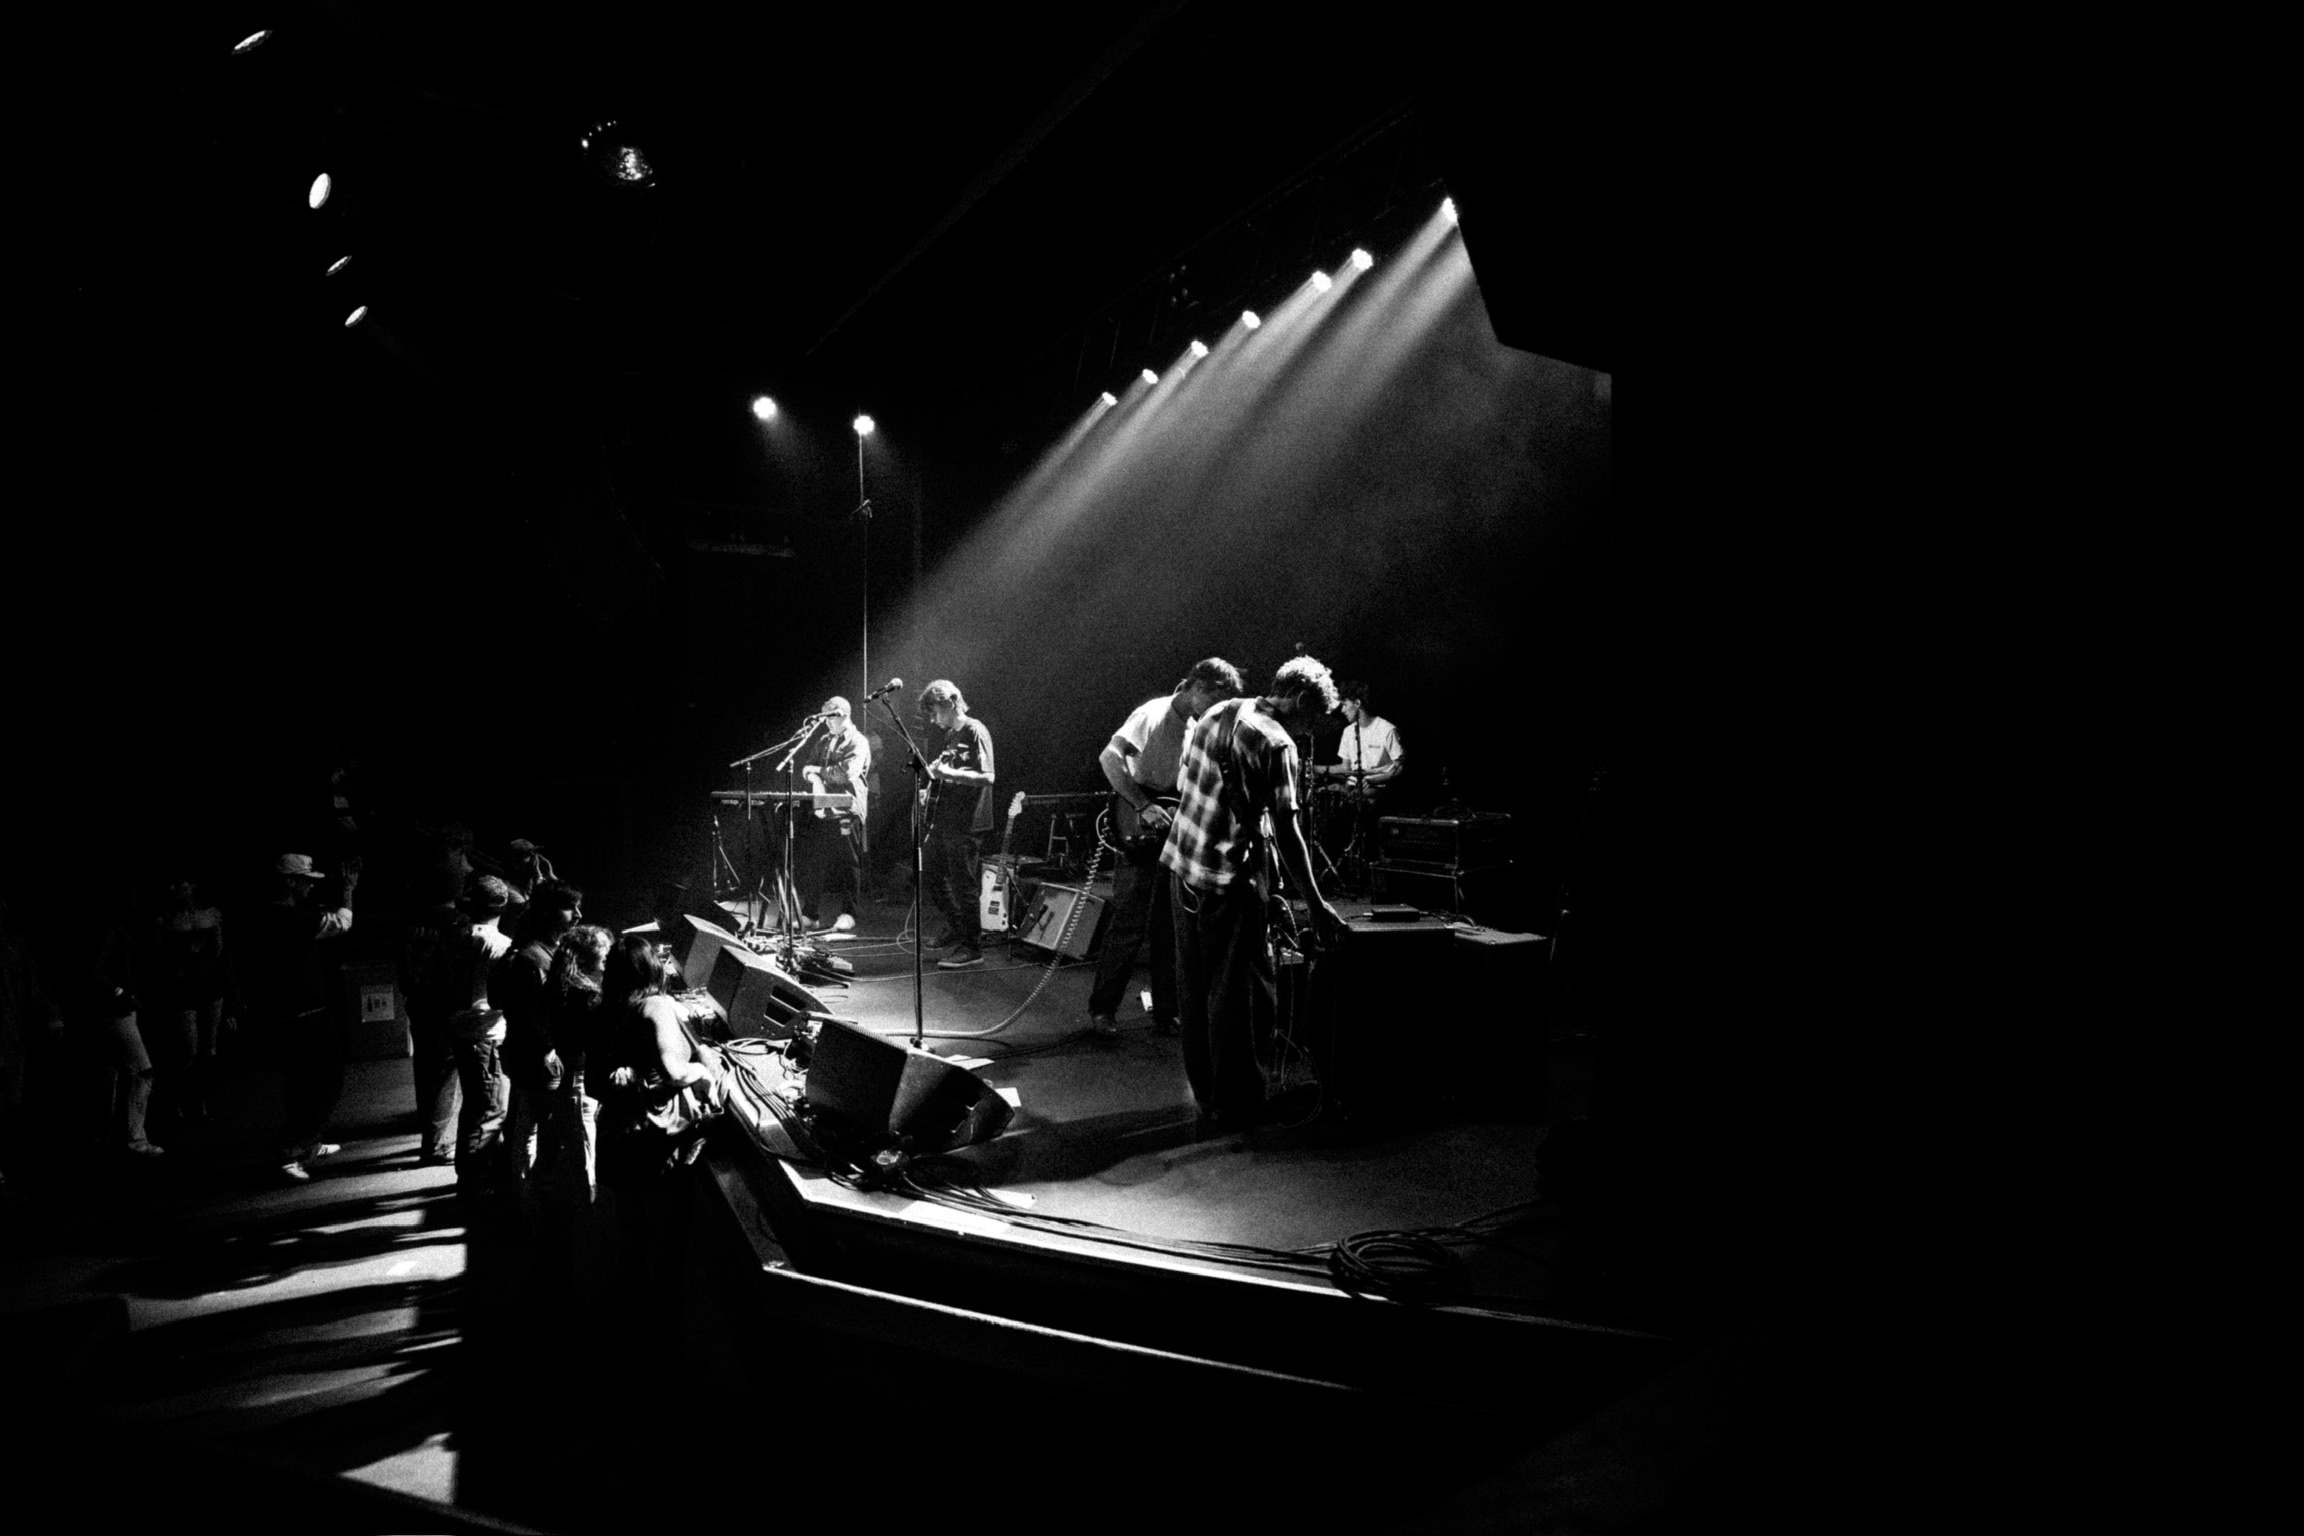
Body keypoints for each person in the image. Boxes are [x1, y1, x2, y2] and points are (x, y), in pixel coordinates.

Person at [1162, 655, 1347, 1127]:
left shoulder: (1216, 713)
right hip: (1226, 881)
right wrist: (1314, 903)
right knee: (1241, 996)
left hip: (1182, 870)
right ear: (1300, 699)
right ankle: (1238, 1103)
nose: (1310, 731)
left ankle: (1208, 1095)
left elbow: (1191, 783)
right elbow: (1288, 832)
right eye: (1313, 720)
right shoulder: (1277, 742)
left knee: (1194, 988)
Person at [1088, 658, 1243, 1039]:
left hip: (1168, 821)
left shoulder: (1194, 727)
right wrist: (1142, 805)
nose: (1216, 709)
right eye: (1215, 698)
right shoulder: (1152, 713)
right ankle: (1103, 1011)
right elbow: (1110, 757)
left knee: (1168, 925)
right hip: (1139, 815)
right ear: (1198, 687)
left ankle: (1167, 1011)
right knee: (1128, 921)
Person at [247, 852, 360, 1183]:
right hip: (305, 1016)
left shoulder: (279, 914)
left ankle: (306, 1143)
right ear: (291, 882)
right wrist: (348, 891)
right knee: (327, 1082)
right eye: (307, 881)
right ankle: (288, 1148)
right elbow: (342, 923)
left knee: (301, 1084)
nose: (311, 887)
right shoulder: (288, 918)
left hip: (292, 1014)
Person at [498, 880, 584, 1221]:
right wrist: (548, 1051)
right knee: (533, 1131)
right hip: (536, 1061)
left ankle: (530, 1199)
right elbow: (532, 1013)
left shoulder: (545, 951)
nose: (578, 915)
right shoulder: (532, 958)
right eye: (570, 908)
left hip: (536, 1058)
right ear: (548, 913)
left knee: (530, 1129)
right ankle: (530, 1205)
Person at [434, 874, 514, 1194]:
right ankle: (475, 1181)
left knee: (475, 1106)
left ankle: (472, 1174)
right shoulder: (497, 944)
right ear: (503, 906)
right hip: (485, 1031)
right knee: (490, 1110)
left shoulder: (456, 934)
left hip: (461, 1027)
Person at [917, 679, 995, 969]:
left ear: (949, 703)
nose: (933, 719)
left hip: (967, 822)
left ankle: (973, 948)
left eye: (935, 711)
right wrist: (931, 789)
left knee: (965, 885)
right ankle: (958, 927)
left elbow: (988, 778)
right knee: (930, 876)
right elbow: (948, 775)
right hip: (946, 820)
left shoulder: (975, 730)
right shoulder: (952, 735)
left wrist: (947, 773)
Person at [148, 873, 229, 1129]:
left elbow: (218, 949)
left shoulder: (211, 913)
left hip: (209, 981)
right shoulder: (164, 918)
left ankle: (198, 1103)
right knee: (187, 1049)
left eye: (180, 883)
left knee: (209, 1047)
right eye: (171, 884)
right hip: (181, 987)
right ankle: (173, 1103)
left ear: (193, 885)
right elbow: (156, 955)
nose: (175, 888)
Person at [399, 862, 464, 1167]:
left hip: (418, 1002)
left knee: (425, 1072)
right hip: (447, 1008)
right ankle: (437, 1145)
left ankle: (430, 1135)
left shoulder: (410, 920)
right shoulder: (456, 922)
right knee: (447, 1077)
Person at [0, 889, 64, 1195]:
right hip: (9, 1038)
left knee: (10, 1106)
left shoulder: (12, 944)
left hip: (10, 1040)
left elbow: (32, 983)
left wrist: (51, 1015)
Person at [797, 696, 871, 935]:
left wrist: (817, 772)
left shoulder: (858, 741)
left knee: (848, 862)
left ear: (844, 715)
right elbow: (806, 767)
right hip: (823, 808)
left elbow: (846, 774)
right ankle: (810, 915)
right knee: (815, 860)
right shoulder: (823, 740)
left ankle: (849, 913)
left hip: (848, 808)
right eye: (824, 717)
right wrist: (814, 777)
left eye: (830, 717)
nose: (826, 722)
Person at [1315, 681, 1405, 800]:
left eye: (1345, 705)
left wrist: (1374, 780)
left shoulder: (1387, 730)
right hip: (1353, 785)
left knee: (1355, 798)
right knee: (1325, 794)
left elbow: (1399, 767)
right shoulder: (1348, 731)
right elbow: (1345, 768)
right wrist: (1314, 768)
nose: (1342, 710)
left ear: (1357, 703)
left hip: (1378, 788)